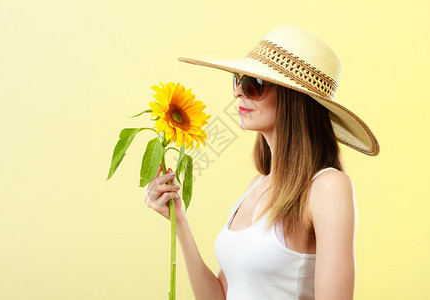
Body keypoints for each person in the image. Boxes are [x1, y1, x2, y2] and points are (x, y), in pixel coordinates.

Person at [144, 25, 380, 300]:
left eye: (253, 86)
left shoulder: (328, 187)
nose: (238, 93)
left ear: (295, 100)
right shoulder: (256, 185)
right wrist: (179, 219)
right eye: (238, 80)